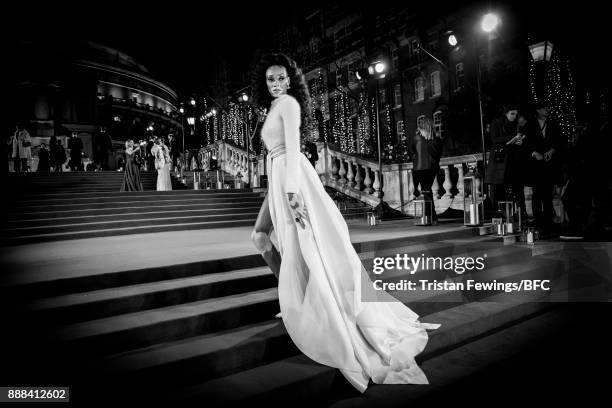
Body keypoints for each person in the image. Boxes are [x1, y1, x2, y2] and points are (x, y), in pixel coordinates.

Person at [249, 53, 439, 393]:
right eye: (269, 79)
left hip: (292, 183)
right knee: (261, 238)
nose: (275, 83)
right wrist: (277, 190)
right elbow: (276, 156)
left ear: (289, 79)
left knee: (305, 249)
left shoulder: (289, 105)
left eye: (280, 77)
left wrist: (293, 195)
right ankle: (297, 303)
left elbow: (293, 152)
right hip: (278, 182)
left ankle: (307, 307)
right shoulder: (274, 108)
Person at [526, 102, 562, 230]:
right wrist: (534, 153)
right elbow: (526, 143)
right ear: (538, 110)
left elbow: (559, 141)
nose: (548, 109)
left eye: (548, 107)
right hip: (535, 163)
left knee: (548, 191)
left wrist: (552, 151)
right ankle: (538, 219)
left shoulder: (553, 123)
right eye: (545, 107)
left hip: (549, 162)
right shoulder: (530, 124)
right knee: (536, 192)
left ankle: (548, 218)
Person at [484, 105, 520, 210]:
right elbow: (494, 138)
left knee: (510, 185)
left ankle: (510, 211)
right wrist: (512, 138)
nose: (514, 116)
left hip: (510, 158)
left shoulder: (514, 124)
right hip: (499, 159)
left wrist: (518, 140)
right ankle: (497, 210)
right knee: (497, 186)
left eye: (516, 114)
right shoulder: (496, 123)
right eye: (512, 114)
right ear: (506, 113)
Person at [411, 117, 443, 221]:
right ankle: (431, 215)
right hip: (432, 168)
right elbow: (439, 154)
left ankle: (429, 215)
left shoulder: (417, 139)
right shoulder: (436, 140)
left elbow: (412, 150)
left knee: (425, 191)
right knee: (427, 190)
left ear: (421, 128)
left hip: (420, 168)